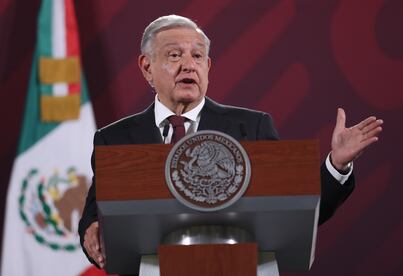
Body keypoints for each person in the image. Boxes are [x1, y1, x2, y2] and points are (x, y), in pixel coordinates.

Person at [79, 15, 383, 270]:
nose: (188, 65)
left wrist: (336, 164)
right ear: (147, 67)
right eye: (175, 55)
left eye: (197, 56)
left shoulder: (251, 127)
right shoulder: (114, 139)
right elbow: (96, 213)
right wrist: (91, 231)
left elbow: (298, 206)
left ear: (208, 67)